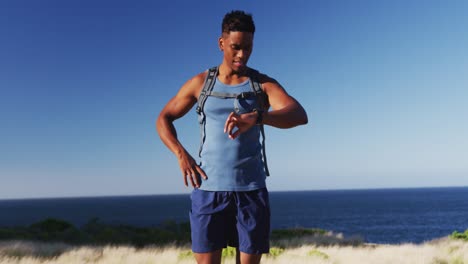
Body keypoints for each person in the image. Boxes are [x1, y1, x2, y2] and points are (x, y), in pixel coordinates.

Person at [156, 10, 308, 264]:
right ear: (221, 43)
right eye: (236, 47)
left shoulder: (262, 84)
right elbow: (163, 118)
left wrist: (258, 117)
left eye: (247, 48)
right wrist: (181, 155)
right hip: (208, 189)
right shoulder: (200, 83)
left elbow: (298, 114)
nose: (242, 55)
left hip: (251, 190)